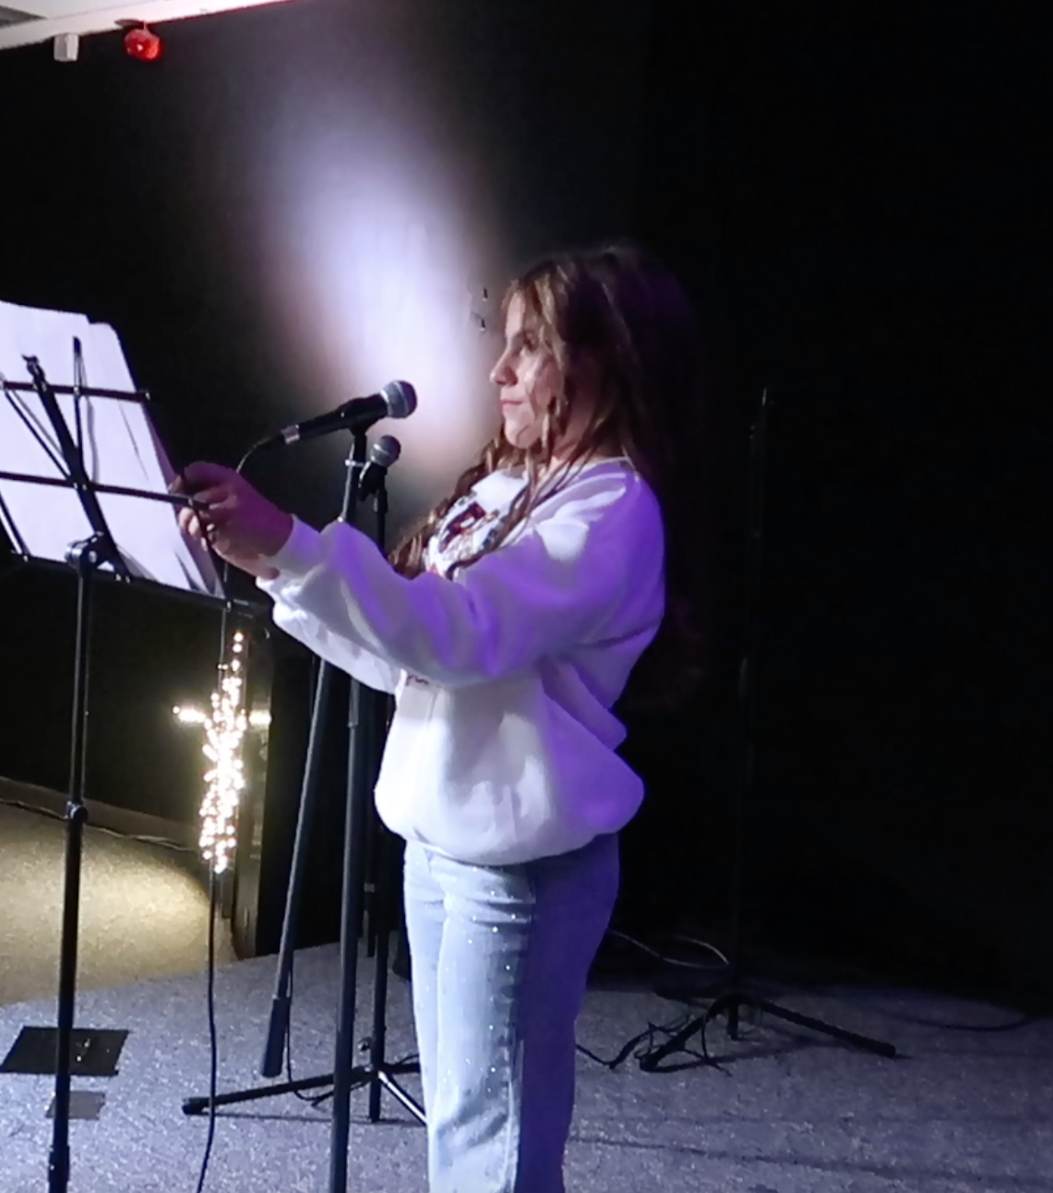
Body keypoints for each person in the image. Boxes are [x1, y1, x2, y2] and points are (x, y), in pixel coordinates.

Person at [177, 244, 706, 1193]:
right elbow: (407, 660)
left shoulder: (613, 508)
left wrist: (293, 544)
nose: (500, 371)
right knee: (471, 1122)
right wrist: (274, 564)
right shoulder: (509, 488)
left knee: (489, 1136)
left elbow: (460, 634)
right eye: (504, 345)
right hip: (446, 848)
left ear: (608, 360)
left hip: (517, 869)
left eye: (530, 348)